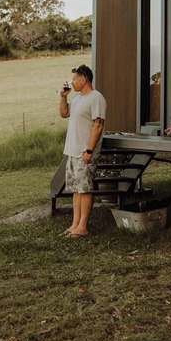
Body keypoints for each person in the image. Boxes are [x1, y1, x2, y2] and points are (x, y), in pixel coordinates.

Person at [59, 64, 106, 237]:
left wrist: (89, 150)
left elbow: (98, 125)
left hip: (85, 151)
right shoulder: (78, 98)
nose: (72, 82)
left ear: (83, 79)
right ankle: (75, 225)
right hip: (72, 150)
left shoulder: (96, 98)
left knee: (84, 188)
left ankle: (83, 227)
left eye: (74, 79)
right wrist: (63, 97)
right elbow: (64, 114)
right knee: (76, 189)